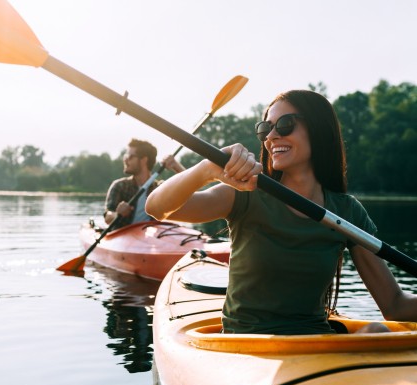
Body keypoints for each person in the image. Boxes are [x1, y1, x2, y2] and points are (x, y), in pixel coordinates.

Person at [145, 89, 417, 335]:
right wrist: (206, 170)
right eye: (265, 129)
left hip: (316, 343)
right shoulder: (244, 194)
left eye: (285, 125)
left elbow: (394, 305)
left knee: (376, 331)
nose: (272, 137)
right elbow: (157, 208)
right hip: (247, 346)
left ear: (318, 130)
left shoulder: (346, 212)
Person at [104, 138, 185, 229]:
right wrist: (117, 214)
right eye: (125, 156)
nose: (125, 160)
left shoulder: (160, 189)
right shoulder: (119, 186)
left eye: (130, 157)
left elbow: (189, 189)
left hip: (149, 239)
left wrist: (176, 166)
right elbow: (107, 217)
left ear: (144, 160)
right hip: (122, 237)